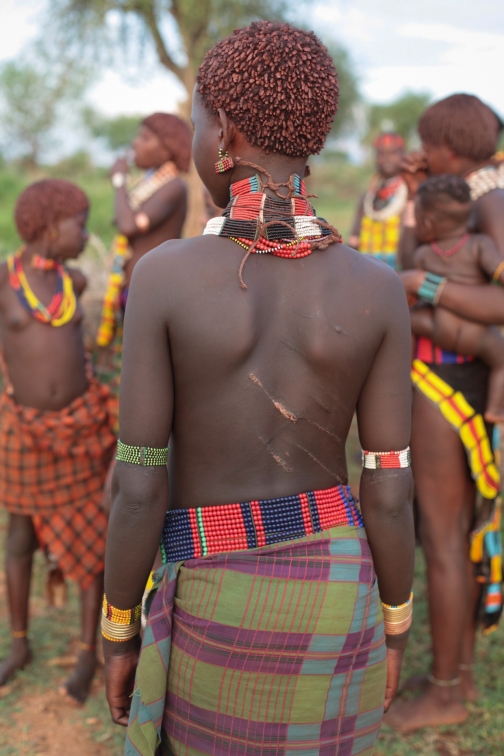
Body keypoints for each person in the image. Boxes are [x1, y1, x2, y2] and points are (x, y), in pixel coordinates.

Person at [103, 22, 415, 756]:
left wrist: (120, 631)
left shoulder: (166, 278)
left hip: (215, 599)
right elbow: (388, 488)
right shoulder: (376, 287)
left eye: (198, 119)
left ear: (224, 135)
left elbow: (140, 485)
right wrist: (394, 623)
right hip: (340, 595)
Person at [385, 93, 504, 733]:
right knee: (455, 537)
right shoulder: (467, 193)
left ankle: (447, 691)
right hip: (455, 377)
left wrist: (425, 292)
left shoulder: (489, 199)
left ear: (448, 148)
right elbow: (417, 260)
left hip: (450, 386)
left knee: (445, 539)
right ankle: (455, 672)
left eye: (426, 144)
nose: (419, 152)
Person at [0, 180, 117, 702]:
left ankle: (89, 652)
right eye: (81, 223)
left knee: (91, 548)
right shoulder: (4, 282)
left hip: (81, 430)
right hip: (24, 431)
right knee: (20, 538)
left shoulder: (72, 281)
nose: (86, 233)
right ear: (50, 227)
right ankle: (20, 646)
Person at [96, 113, 192, 382]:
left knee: (147, 365)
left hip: (153, 288)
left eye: (145, 138)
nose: (135, 144)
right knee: (135, 360)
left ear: (167, 149)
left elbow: (128, 225)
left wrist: (118, 182)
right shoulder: (150, 184)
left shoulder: (174, 187)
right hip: (134, 285)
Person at [410, 174, 504, 423]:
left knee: (407, 318)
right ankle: (496, 409)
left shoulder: (423, 255)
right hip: (479, 337)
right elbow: (498, 270)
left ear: (427, 224)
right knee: (502, 363)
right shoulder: (479, 244)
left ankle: (403, 373)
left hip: (440, 329)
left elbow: (416, 295)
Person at [348, 132, 407, 268]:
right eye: (381, 154)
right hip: (367, 270)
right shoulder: (367, 197)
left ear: (403, 155)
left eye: (393, 153)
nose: (387, 159)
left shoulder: (409, 195)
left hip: (398, 274)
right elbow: (354, 236)